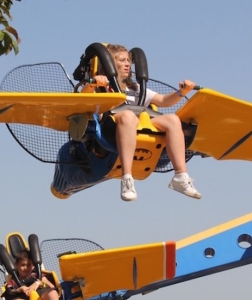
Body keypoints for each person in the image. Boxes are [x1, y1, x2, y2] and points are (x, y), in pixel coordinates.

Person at [82, 44, 201, 201]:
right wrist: (93, 84)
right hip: (111, 129)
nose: (127, 64)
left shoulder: (136, 88)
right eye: (122, 60)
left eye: (128, 61)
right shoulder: (102, 86)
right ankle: (127, 179)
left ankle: (181, 176)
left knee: (173, 120)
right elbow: (84, 97)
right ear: (110, 64)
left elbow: (164, 101)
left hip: (141, 124)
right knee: (129, 116)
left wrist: (181, 92)